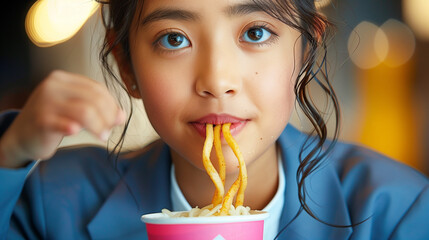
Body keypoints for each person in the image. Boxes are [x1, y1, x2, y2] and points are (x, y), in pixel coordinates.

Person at [1, 0, 428, 239]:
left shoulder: (394, 210)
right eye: (174, 39)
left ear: (306, 51)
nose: (217, 80)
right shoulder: (53, 202)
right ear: (126, 65)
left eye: (255, 32)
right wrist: (12, 150)